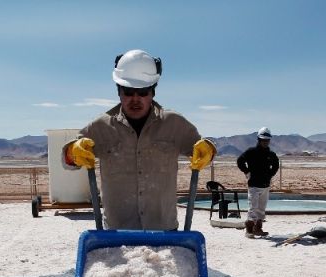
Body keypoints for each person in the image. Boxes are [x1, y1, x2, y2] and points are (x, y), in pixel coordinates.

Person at [62, 49, 216, 230]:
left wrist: (209, 150)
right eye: (128, 92)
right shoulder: (101, 127)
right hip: (116, 234)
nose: (135, 99)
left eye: (142, 92)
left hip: (164, 232)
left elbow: (203, 150)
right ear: (118, 91)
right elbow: (67, 162)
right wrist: (72, 152)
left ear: (153, 92)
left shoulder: (175, 124)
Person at [236, 127, 280, 237]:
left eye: (267, 140)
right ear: (259, 140)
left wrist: (270, 175)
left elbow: (276, 165)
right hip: (254, 185)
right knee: (253, 208)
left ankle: (258, 229)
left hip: (265, 185)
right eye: (263, 140)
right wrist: (246, 171)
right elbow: (240, 160)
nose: (265, 142)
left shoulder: (271, 154)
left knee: (261, 209)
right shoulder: (251, 152)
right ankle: (249, 230)